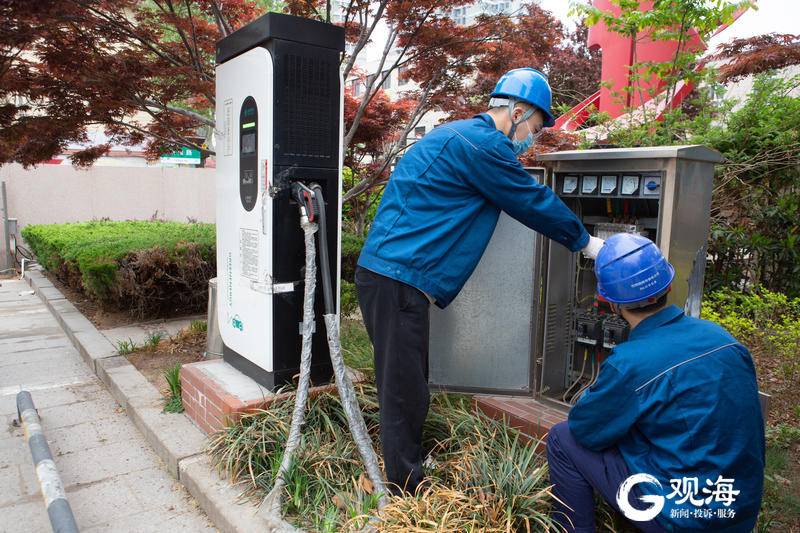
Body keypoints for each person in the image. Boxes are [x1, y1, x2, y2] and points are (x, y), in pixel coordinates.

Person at [355, 67, 603, 494]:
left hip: (392, 276)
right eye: (537, 126)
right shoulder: (483, 145)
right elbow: (530, 200)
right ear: (517, 109)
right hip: (396, 279)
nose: (533, 137)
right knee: (403, 388)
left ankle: (405, 464)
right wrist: (587, 244)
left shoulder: (457, 136)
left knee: (408, 379)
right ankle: (405, 487)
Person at [547, 233, 765, 532]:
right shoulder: (724, 339)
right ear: (669, 286)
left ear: (609, 301)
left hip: (681, 520)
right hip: (738, 510)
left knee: (563, 438)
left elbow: (587, 431)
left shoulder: (630, 363)